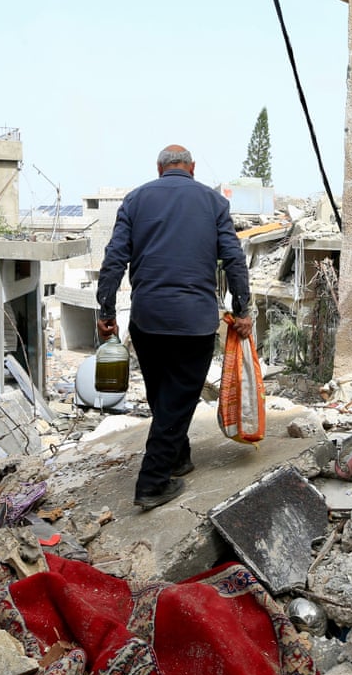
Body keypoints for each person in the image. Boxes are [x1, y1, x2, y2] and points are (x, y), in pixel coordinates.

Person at [97, 144, 253, 510]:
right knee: (178, 399)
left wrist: (105, 309)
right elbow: (233, 258)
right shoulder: (214, 203)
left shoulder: (135, 200)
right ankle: (152, 483)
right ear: (192, 168)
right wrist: (241, 308)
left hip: (147, 321)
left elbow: (114, 257)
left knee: (164, 395)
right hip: (194, 323)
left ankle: (178, 459)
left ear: (159, 168)